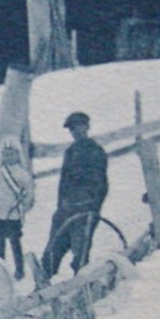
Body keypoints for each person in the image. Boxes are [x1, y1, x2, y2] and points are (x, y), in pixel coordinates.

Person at [43, 111, 109, 277]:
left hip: (86, 209)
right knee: (53, 250)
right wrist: (60, 208)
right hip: (67, 209)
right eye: (72, 129)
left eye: (78, 127)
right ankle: (43, 284)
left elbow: (102, 184)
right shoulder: (70, 152)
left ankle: (81, 287)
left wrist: (94, 209)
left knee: (80, 253)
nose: (75, 132)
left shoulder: (96, 151)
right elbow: (63, 183)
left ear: (87, 127)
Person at [0, 138, 35, 280]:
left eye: (12, 154)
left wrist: (23, 205)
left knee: (15, 242)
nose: (8, 157)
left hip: (14, 214)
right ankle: (0, 269)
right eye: (5, 154)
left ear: (18, 155)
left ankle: (19, 270)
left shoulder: (22, 174)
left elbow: (28, 192)